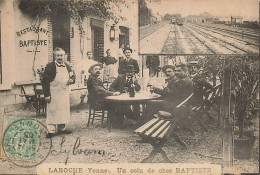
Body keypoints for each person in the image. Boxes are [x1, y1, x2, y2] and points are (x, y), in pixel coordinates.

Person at [41, 47, 76, 138]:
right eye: (58, 55)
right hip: (53, 92)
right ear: (54, 56)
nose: (60, 57)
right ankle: (51, 131)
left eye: (61, 55)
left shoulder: (67, 66)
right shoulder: (50, 66)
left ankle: (62, 129)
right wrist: (47, 95)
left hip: (64, 92)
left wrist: (72, 80)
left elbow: (73, 76)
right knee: (52, 110)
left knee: (63, 110)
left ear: (64, 55)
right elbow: (44, 81)